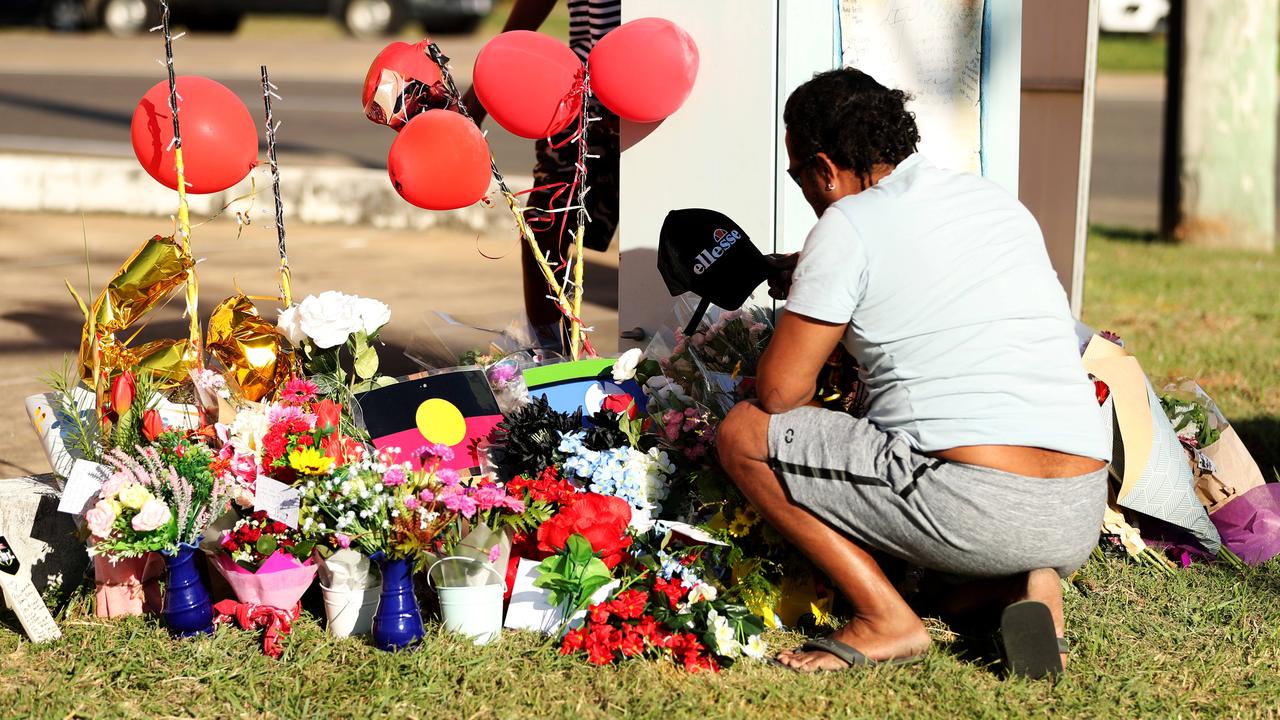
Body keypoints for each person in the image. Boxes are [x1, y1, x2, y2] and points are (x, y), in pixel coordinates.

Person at [715, 68, 1111, 677]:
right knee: (937, 588)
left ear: (824, 166)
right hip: (1078, 508)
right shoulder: (993, 200)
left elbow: (779, 393)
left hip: (980, 506)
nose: (803, 188)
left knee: (743, 434)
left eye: (797, 174)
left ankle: (883, 620)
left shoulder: (846, 225)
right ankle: (1030, 588)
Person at [462, 0, 621, 352]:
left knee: (662, 230)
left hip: (647, 79)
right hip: (584, 90)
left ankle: (684, 362)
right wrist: (486, 84)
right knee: (544, 225)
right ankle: (552, 355)